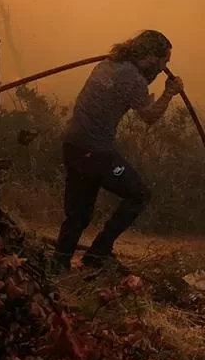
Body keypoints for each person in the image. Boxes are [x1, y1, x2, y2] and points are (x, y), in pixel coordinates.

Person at [54, 30, 184, 271]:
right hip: (96, 153)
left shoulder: (108, 64)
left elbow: (130, 88)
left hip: (73, 146)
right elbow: (150, 116)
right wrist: (169, 92)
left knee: (78, 216)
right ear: (150, 56)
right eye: (164, 61)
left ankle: (59, 263)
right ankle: (98, 253)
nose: (164, 67)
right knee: (139, 195)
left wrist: (153, 78)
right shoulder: (133, 79)